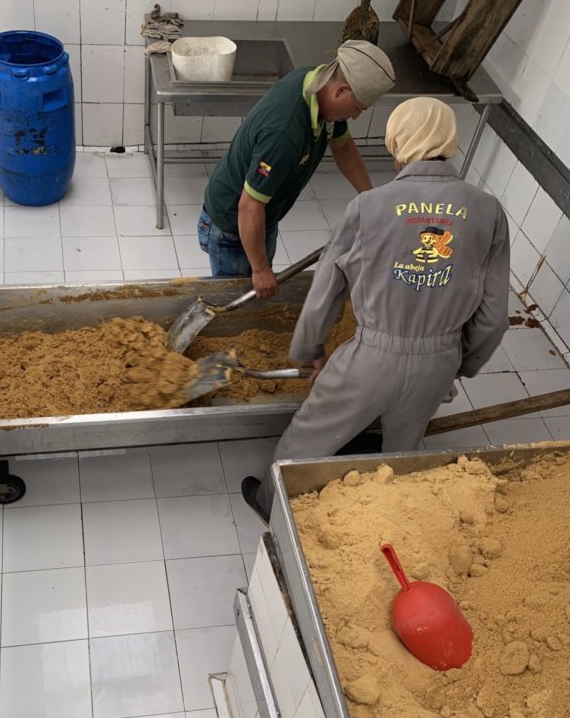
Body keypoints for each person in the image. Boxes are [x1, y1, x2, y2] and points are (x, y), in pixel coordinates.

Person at [243, 96, 510, 523]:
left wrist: (311, 347)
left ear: (398, 142)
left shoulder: (368, 206)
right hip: (439, 358)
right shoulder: (489, 211)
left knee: (309, 435)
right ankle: (383, 522)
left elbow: (326, 290)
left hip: (372, 357)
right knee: (402, 453)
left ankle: (271, 505)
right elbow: (494, 312)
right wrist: (462, 363)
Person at [198, 40, 396, 299]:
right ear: (341, 91)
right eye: (357, 108)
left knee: (259, 293)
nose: (356, 116)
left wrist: (371, 198)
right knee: (236, 300)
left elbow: (344, 148)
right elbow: (249, 206)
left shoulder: (319, 86)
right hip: (232, 225)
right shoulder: (283, 133)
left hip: (264, 216)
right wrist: (260, 270)